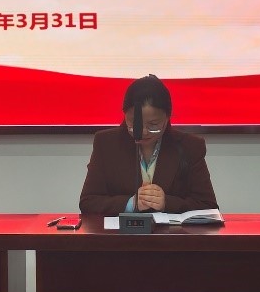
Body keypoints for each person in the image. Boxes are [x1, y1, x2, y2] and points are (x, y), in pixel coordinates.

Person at [79, 74, 218, 215]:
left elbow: (208, 206)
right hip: (120, 229)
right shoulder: (106, 143)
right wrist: (130, 203)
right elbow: (88, 202)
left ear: (167, 117)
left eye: (153, 124)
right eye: (135, 123)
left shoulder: (190, 146)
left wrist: (166, 203)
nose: (144, 132)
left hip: (172, 230)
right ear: (125, 114)